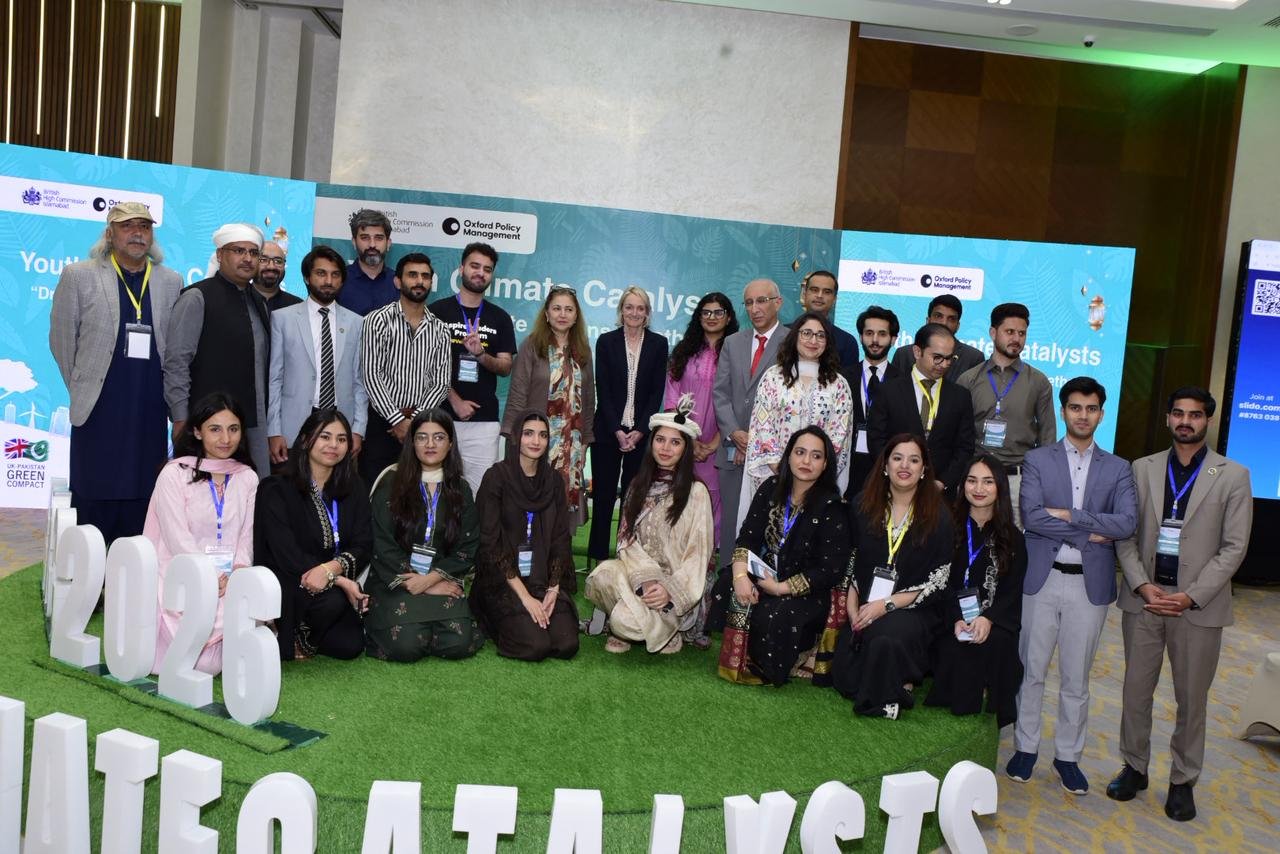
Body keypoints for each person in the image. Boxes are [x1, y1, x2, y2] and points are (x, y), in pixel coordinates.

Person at [1107, 387, 1252, 822]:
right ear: (1168, 418)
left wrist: (1192, 595)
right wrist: (1141, 585)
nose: (1185, 421)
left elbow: (1234, 547)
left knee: (1191, 699)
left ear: (1208, 420)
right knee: (1136, 692)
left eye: (1195, 415)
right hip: (1146, 602)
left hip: (1197, 608)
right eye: (1178, 413)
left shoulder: (1233, 475)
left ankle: (1183, 780)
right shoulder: (1142, 468)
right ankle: (1134, 767)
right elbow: (1126, 536)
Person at [1008, 376, 1137, 795]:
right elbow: (1032, 516)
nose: (1083, 415)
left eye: (1091, 408)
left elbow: (1125, 523)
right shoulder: (1037, 459)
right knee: (1031, 670)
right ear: (1063, 411)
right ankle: (1026, 748)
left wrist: (1070, 516)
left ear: (1101, 414)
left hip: (1089, 587)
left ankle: (1068, 757)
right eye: (1076, 407)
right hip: (1041, 580)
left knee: (1076, 679)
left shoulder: (1119, 468)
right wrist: (1088, 532)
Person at [49, 202, 182, 543]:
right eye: (127, 226)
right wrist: (83, 385)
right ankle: (90, 568)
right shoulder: (79, 275)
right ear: (109, 234)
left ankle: (134, 568)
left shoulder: (171, 281)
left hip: (149, 409)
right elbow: (62, 341)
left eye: (144, 227)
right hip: (99, 409)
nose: (137, 233)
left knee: (145, 490)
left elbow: (174, 347)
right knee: (95, 491)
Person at [712, 426, 852, 686]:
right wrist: (741, 576)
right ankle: (744, 651)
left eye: (816, 456)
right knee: (726, 583)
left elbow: (829, 571)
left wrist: (780, 588)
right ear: (788, 456)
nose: (806, 461)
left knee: (777, 613)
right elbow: (748, 537)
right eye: (800, 452)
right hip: (767, 572)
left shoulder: (832, 507)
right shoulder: (772, 487)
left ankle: (795, 652)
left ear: (825, 465)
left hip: (806, 589)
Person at [830, 434, 953, 719]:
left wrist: (885, 605)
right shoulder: (863, 506)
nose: (904, 466)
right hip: (866, 603)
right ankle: (895, 685)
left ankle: (889, 697)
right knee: (845, 679)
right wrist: (852, 608)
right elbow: (852, 562)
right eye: (897, 458)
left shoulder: (939, 516)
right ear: (885, 465)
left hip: (913, 608)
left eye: (914, 460)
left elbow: (938, 580)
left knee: (887, 638)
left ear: (924, 469)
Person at [584, 397, 715, 654]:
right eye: (660, 440)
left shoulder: (696, 492)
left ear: (685, 449)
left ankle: (661, 627)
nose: (666, 448)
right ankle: (648, 625)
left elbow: (698, 555)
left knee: (624, 623)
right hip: (638, 579)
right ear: (651, 443)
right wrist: (645, 580)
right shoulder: (638, 485)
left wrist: (667, 590)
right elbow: (625, 542)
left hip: (672, 593)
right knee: (601, 576)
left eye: (675, 442)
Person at [143, 393, 258, 676]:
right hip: (180, 573)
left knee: (212, 666)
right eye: (215, 429)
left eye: (233, 429)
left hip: (228, 579)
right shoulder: (174, 474)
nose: (226, 439)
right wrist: (208, 575)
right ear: (197, 431)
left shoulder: (247, 477)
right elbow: (176, 538)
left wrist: (238, 571)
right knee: (200, 665)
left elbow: (246, 537)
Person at [364, 409, 484, 662]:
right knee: (405, 645)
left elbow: (467, 545)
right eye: (422, 437)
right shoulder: (391, 482)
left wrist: (431, 580)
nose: (430, 444)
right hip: (397, 579)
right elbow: (381, 543)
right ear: (412, 443)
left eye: (439, 437)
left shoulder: (460, 488)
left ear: (450, 444)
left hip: (441, 578)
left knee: (459, 642)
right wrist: (415, 582)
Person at [254, 408, 370, 661]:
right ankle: (291, 635)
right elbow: (285, 552)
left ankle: (308, 635)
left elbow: (364, 543)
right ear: (306, 440)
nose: (333, 445)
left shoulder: (354, 487)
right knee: (333, 602)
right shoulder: (276, 488)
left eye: (341, 439)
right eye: (325, 437)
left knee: (350, 645)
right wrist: (339, 580)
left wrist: (332, 570)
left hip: (332, 580)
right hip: (291, 580)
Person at [925, 454, 1027, 726]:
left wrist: (988, 618)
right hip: (948, 617)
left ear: (1000, 487)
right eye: (972, 481)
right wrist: (956, 618)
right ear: (963, 485)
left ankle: (985, 702)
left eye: (988, 482)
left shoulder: (1013, 538)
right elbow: (937, 580)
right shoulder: (945, 526)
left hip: (992, 619)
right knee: (953, 645)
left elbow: (1011, 591)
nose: (979, 488)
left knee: (997, 642)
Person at [164, 222, 273, 475]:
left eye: (253, 253)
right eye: (239, 251)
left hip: (251, 426)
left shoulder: (258, 300)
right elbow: (176, 363)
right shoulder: (197, 297)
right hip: (206, 426)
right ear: (220, 255)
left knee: (251, 492)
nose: (247, 259)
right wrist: (181, 418)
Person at [471, 411, 579, 661]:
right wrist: (526, 598)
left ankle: (536, 612)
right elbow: (490, 543)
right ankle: (499, 620)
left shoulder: (553, 481)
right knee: (535, 646)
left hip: (541, 580)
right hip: (505, 582)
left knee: (566, 644)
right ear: (516, 437)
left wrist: (553, 589)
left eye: (543, 435)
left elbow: (561, 539)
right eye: (528, 433)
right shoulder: (496, 477)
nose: (536, 441)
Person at [501, 286, 596, 529]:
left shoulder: (583, 351)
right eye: (557, 308)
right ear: (546, 313)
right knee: (530, 501)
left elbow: (588, 399)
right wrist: (515, 436)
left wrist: (585, 439)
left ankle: (559, 552)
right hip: (536, 441)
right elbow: (518, 392)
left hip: (571, 445)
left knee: (563, 507)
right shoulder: (532, 345)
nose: (562, 314)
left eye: (568, 309)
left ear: (576, 316)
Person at [428, 242, 516, 496]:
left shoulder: (500, 317)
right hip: (440, 417)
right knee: (437, 491)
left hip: (484, 422)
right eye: (475, 266)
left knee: (481, 495)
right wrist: (454, 400)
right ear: (461, 268)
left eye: (487, 269)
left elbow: (505, 367)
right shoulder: (437, 312)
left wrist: (480, 355)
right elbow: (426, 366)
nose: (480, 273)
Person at [588, 286, 670, 560]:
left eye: (640, 308)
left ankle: (626, 557)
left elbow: (656, 393)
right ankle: (598, 558)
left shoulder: (659, 344)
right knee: (603, 497)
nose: (634, 313)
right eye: (629, 307)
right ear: (621, 310)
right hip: (607, 432)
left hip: (641, 434)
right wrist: (616, 430)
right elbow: (603, 389)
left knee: (633, 499)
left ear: (647, 313)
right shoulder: (606, 341)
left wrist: (640, 431)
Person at [267, 246, 368, 467]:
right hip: (293, 427)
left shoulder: (356, 323)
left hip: (340, 427)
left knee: (335, 487)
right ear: (307, 277)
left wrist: (358, 429)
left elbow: (359, 381)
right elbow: (275, 379)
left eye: (335, 275)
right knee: (292, 486)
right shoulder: (283, 319)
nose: (328, 281)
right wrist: (274, 431)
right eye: (321, 273)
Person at [359, 252, 453, 488]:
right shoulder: (376, 321)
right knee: (376, 491)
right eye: (412, 275)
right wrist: (398, 420)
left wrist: (414, 422)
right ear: (398, 281)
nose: (419, 281)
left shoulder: (441, 330)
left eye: (425, 276)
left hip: (424, 428)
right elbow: (371, 376)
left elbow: (441, 383)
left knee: (417, 495)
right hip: (382, 425)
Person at [956, 303, 1056, 522]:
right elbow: (956, 435)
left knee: (1014, 540)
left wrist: (1040, 484)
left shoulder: (1038, 382)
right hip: (975, 480)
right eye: (1010, 332)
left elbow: (1047, 438)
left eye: (1022, 333)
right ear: (993, 333)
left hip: (1017, 481)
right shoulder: (968, 379)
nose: (1016, 339)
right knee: (969, 537)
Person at [712, 278, 785, 563]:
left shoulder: (792, 341)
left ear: (778, 303)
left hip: (771, 456)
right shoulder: (733, 342)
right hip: (733, 450)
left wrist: (755, 439)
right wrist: (735, 433)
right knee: (731, 524)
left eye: (762, 301)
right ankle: (727, 580)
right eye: (749, 303)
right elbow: (720, 393)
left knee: (767, 526)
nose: (755, 308)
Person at [867, 323, 974, 495]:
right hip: (892, 488)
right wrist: (895, 476)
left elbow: (965, 447)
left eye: (949, 358)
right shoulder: (888, 391)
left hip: (940, 493)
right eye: (937, 357)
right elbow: (876, 439)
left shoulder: (960, 396)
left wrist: (944, 482)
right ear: (917, 352)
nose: (944, 364)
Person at [847, 305, 901, 497]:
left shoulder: (903, 382)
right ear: (861, 336)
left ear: (893, 339)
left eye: (882, 334)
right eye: (869, 333)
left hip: (886, 472)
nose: (875, 340)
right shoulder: (843, 377)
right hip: (848, 470)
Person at [890, 294, 984, 381]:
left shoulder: (973, 358)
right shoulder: (904, 354)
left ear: (958, 326)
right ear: (928, 320)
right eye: (938, 316)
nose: (944, 323)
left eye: (951, 319)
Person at [336, 208, 398, 316]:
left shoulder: (399, 283)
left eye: (379, 238)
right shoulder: (339, 280)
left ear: (388, 243)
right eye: (365, 238)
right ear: (354, 242)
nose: (372, 245)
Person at [793, 271, 857, 370]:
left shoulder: (847, 342)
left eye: (827, 292)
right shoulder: (784, 333)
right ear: (804, 294)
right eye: (814, 290)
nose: (819, 295)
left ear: (834, 299)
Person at [253, 240, 301, 311]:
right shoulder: (237, 299)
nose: (271, 267)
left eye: (278, 261)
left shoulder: (297, 306)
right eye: (263, 260)